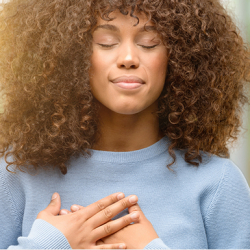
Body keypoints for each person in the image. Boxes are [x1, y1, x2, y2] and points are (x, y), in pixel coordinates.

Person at [0, 0, 250, 248]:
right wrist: (49, 246)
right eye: (106, 43)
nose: (129, 58)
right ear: (66, 53)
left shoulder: (219, 184)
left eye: (148, 43)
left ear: (180, 56)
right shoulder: (15, 175)